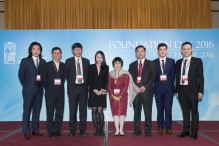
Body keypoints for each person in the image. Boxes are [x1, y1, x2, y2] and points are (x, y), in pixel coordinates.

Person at [176, 42, 204, 140]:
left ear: (191, 50)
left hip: (193, 91)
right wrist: (177, 90)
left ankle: (194, 132)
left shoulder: (197, 61)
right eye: (184, 49)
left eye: (188, 49)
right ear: (181, 50)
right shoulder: (178, 62)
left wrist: (200, 91)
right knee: (185, 112)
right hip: (182, 91)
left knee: (194, 112)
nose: (186, 51)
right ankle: (186, 130)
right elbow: (177, 77)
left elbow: (201, 77)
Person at [18, 42, 46, 140]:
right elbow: (21, 75)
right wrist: (27, 85)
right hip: (29, 90)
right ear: (30, 50)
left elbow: (44, 76)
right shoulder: (25, 61)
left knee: (37, 111)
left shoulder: (43, 62)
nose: (36, 51)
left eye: (38, 49)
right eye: (34, 49)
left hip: (39, 90)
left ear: (40, 50)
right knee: (27, 112)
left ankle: (35, 129)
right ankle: (26, 131)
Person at [128, 45, 156, 137]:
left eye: (142, 51)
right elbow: (130, 79)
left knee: (148, 112)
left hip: (147, 91)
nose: (140, 53)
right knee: (136, 112)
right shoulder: (131, 65)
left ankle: (148, 130)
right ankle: (137, 130)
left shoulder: (151, 64)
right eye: (138, 51)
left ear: (145, 52)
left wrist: (145, 86)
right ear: (135, 53)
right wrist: (135, 88)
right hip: (136, 92)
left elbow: (153, 77)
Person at [108, 57, 140, 137]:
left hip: (123, 97)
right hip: (113, 97)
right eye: (116, 63)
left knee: (122, 114)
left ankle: (121, 130)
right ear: (113, 64)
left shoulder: (126, 74)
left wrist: (119, 96)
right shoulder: (110, 74)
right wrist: (112, 95)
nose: (117, 65)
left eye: (119, 63)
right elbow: (109, 86)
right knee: (115, 114)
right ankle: (117, 130)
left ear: (121, 64)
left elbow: (125, 87)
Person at [65, 43, 90, 137]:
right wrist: (72, 81)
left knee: (83, 110)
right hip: (73, 88)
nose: (78, 51)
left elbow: (88, 74)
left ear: (82, 50)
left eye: (79, 49)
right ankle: (72, 129)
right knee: (73, 110)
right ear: (73, 51)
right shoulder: (68, 61)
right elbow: (66, 75)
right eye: (76, 50)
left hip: (83, 88)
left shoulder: (86, 61)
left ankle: (83, 129)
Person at [42, 47, 65, 138]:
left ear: (61, 54)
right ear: (52, 54)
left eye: (58, 53)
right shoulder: (47, 65)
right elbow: (43, 79)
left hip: (60, 93)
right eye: (55, 53)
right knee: (50, 112)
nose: (56, 54)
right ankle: (51, 131)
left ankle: (57, 130)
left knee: (59, 112)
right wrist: (49, 88)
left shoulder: (63, 65)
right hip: (50, 93)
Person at [153, 43, 175, 136]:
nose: (162, 51)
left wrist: (170, 86)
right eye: (160, 49)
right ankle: (160, 127)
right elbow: (153, 76)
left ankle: (169, 128)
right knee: (159, 109)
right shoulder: (153, 62)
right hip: (158, 89)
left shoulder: (172, 61)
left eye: (164, 49)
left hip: (169, 89)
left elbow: (173, 75)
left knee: (168, 109)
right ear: (158, 51)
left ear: (167, 51)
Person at [88, 51, 109, 136]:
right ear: (95, 58)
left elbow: (106, 81)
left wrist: (101, 91)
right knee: (94, 110)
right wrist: (94, 90)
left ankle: (101, 130)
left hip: (102, 91)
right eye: (98, 57)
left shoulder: (106, 67)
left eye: (101, 57)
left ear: (103, 58)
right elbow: (89, 79)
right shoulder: (91, 66)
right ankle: (96, 129)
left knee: (100, 111)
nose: (99, 59)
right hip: (93, 91)